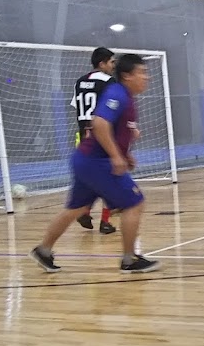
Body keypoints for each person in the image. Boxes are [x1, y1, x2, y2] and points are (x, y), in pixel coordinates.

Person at [30, 54, 158, 273]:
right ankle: (130, 260)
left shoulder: (126, 96)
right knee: (135, 203)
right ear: (127, 75)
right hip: (96, 162)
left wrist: (125, 154)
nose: (147, 77)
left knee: (76, 208)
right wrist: (116, 156)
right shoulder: (117, 94)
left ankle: (43, 250)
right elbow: (99, 123)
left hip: (85, 160)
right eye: (142, 73)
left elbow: (118, 131)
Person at [70, 47, 118, 234]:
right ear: (102, 63)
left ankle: (85, 210)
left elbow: (77, 106)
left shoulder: (79, 82)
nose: (113, 66)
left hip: (83, 136)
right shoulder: (109, 82)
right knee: (110, 178)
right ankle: (105, 221)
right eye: (111, 62)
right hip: (101, 137)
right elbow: (112, 111)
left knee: (89, 178)